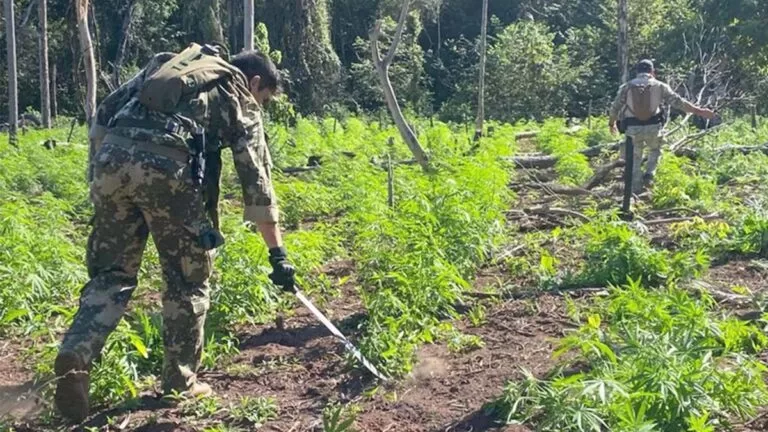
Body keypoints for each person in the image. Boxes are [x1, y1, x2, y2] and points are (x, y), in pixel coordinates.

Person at [53, 44, 297, 422]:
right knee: (187, 279)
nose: (260, 104)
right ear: (256, 81)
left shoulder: (167, 66)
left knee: (110, 276)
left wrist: (102, 175)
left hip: (111, 163)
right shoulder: (236, 91)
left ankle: (76, 355)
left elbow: (104, 113)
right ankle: (180, 381)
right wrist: (277, 253)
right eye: (263, 99)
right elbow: (256, 178)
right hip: (170, 171)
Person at [609, 59, 715, 192]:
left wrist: (611, 123)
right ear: (652, 72)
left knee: (635, 157)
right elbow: (678, 102)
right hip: (654, 126)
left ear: (637, 72)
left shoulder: (626, 87)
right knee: (655, 150)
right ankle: (649, 175)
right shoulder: (660, 86)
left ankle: (635, 189)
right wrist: (699, 111)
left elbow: (615, 107)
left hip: (632, 128)